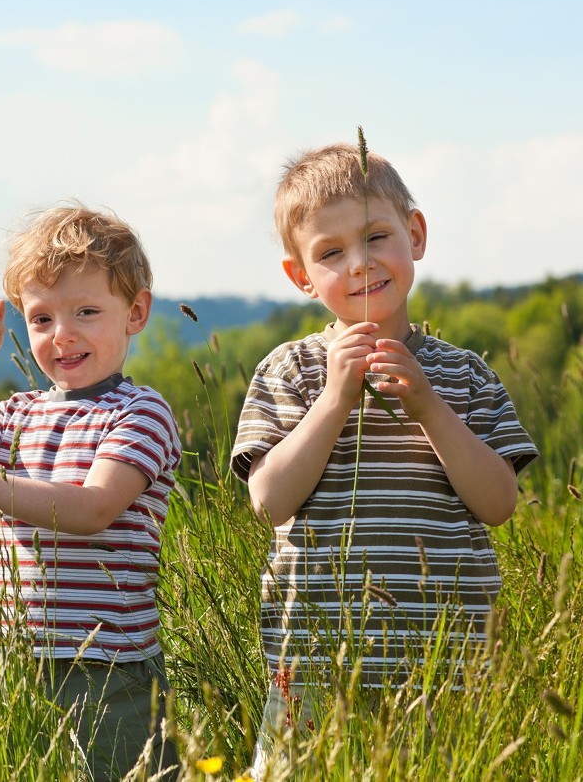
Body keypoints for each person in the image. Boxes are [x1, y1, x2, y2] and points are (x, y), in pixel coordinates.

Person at [230, 144, 539, 775]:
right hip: (314, 659)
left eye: (377, 237)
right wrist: (336, 398)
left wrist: (429, 407)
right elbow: (270, 500)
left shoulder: (464, 374)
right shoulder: (289, 370)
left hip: (446, 663)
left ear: (415, 235)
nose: (360, 263)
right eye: (331, 252)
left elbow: (499, 503)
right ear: (301, 276)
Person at [0, 203, 182, 780]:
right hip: (12, 657)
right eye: (42, 318)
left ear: (135, 312)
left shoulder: (139, 412)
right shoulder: (15, 412)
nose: (64, 334)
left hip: (110, 665)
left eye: (86, 311)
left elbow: (94, 508)